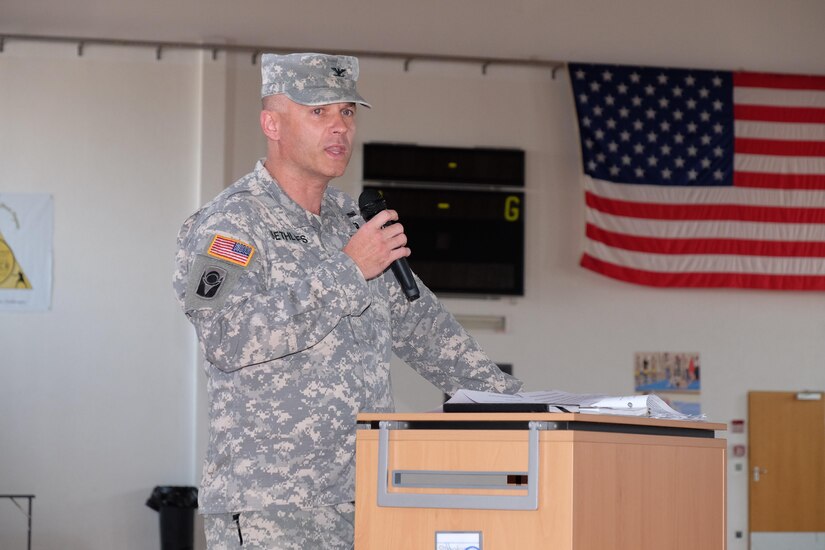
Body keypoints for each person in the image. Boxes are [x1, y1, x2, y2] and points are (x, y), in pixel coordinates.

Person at [172, 52, 523, 549]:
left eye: (348, 112)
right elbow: (230, 336)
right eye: (319, 112)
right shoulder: (231, 223)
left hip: (369, 498)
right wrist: (347, 270)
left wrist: (528, 410)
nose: (339, 128)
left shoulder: (354, 224)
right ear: (271, 123)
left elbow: (429, 334)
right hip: (276, 508)